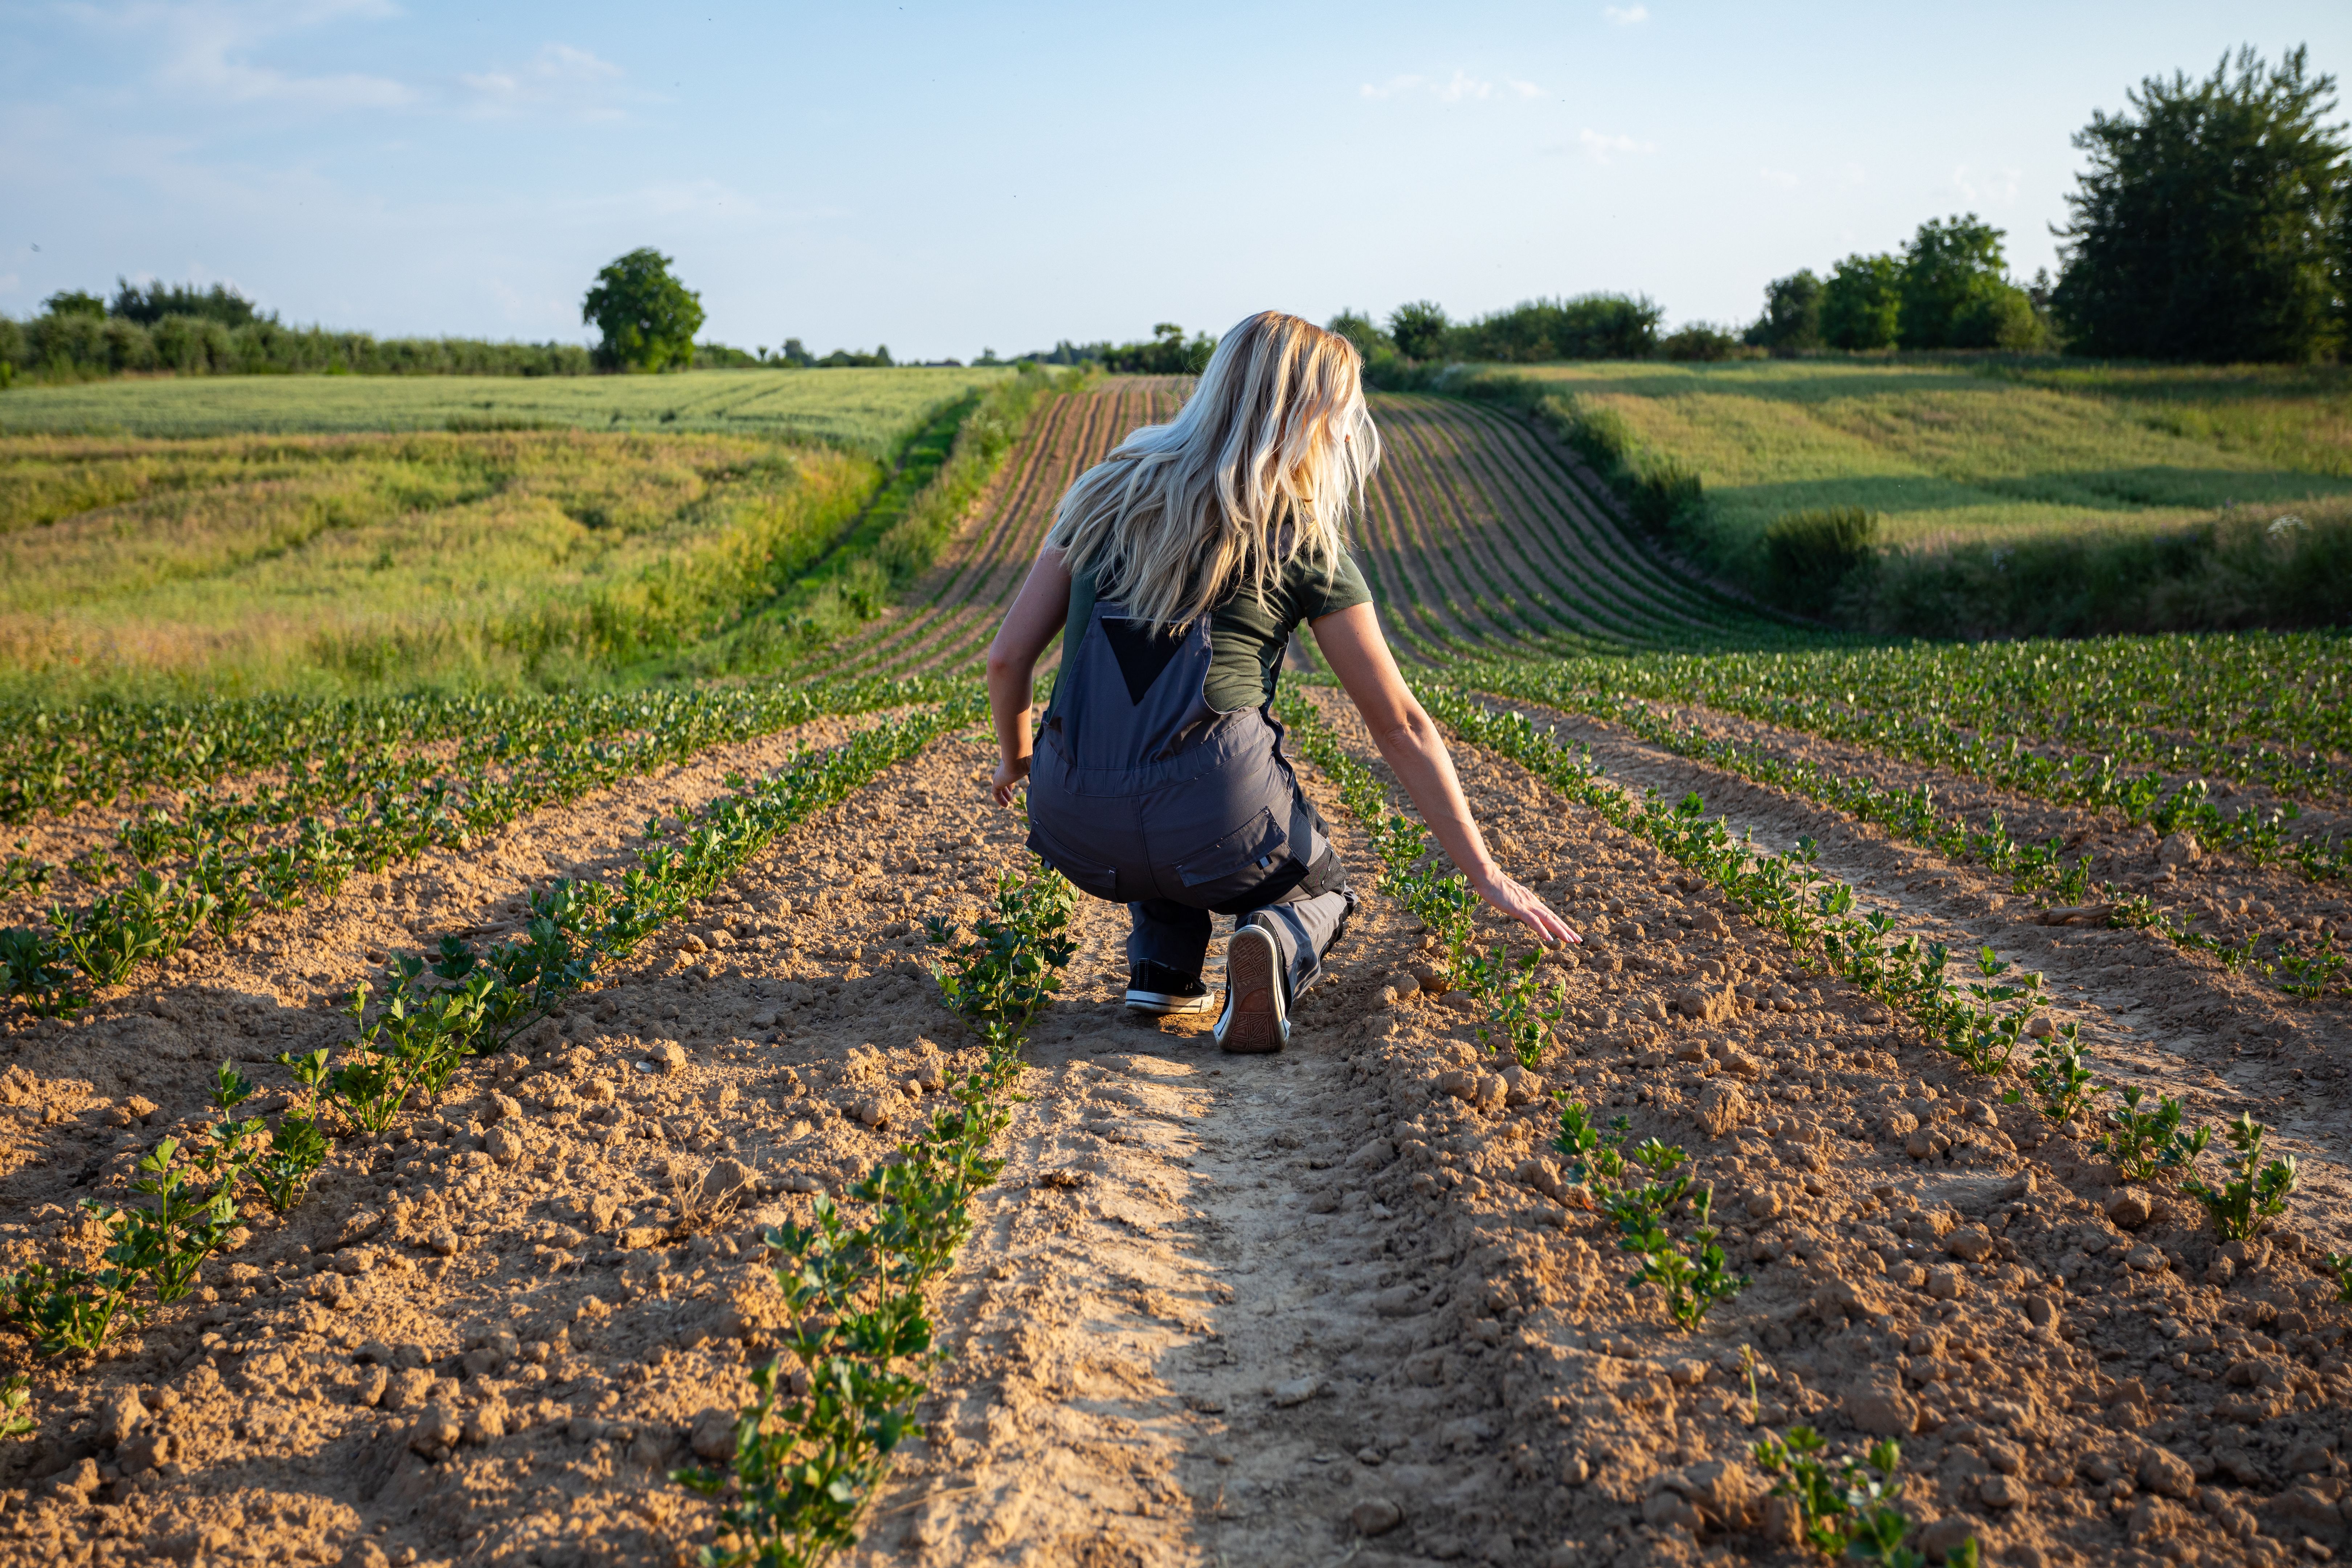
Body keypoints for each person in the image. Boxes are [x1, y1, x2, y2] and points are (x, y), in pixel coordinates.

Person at [984, 310, 1576, 1053]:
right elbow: (1399, 722)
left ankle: (1163, 969)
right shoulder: (1298, 535)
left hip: (1073, 818)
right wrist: (1486, 873)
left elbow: (1006, 659)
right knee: (1319, 883)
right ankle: (1275, 938)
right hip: (1215, 817)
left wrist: (1019, 763)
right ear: (1311, 416)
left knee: (1141, 773)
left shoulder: (1102, 498)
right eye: (1342, 414)